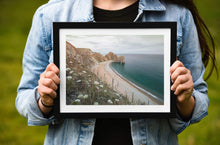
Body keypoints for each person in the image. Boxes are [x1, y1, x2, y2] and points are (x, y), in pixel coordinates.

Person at [16, 0, 217, 145]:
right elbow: (24, 96)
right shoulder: (50, 14)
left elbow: (199, 99)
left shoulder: (178, 14)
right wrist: (45, 101)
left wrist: (184, 100)